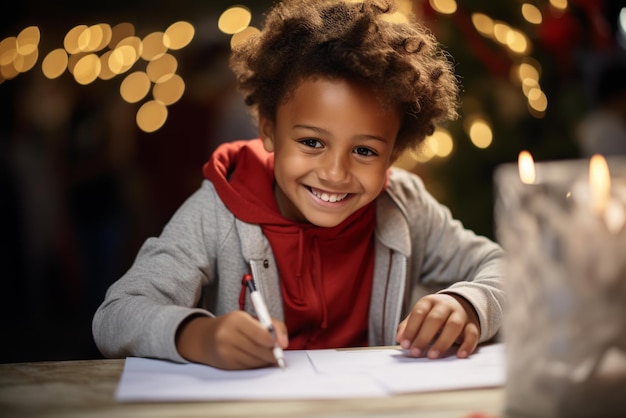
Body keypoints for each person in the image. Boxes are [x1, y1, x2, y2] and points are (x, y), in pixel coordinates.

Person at [92, 0, 505, 370]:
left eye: (365, 151)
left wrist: (469, 303)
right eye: (311, 142)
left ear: (394, 154)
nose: (335, 173)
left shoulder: (405, 205)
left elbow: (510, 269)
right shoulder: (217, 209)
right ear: (269, 131)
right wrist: (198, 337)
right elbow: (117, 314)